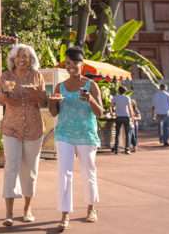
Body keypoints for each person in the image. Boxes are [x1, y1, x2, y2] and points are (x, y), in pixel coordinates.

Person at [48, 47, 103, 230]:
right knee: (64, 174)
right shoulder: (60, 86)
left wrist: (90, 100)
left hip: (86, 135)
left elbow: (100, 112)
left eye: (74, 63)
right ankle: (65, 215)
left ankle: (91, 209)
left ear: (82, 63)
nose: (71, 67)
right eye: (68, 64)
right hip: (64, 134)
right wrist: (52, 101)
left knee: (88, 172)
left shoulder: (91, 85)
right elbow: (53, 112)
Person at [0, 44, 47, 227]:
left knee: (30, 171)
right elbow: (2, 100)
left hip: (34, 128)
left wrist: (37, 94)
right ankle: (9, 213)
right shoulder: (6, 76)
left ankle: (27, 209)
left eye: (26, 56)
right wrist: (8, 95)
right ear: (13, 59)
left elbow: (43, 102)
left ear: (31, 59)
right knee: (11, 167)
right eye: (19, 56)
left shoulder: (37, 76)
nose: (22, 59)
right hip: (11, 127)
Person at [111, 86, 134, 155]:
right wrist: (132, 116)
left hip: (118, 117)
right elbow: (130, 108)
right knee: (127, 134)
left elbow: (111, 106)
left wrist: (113, 112)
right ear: (125, 91)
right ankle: (127, 149)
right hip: (126, 116)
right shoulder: (127, 98)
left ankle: (116, 149)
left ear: (118, 91)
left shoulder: (115, 97)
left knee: (117, 133)